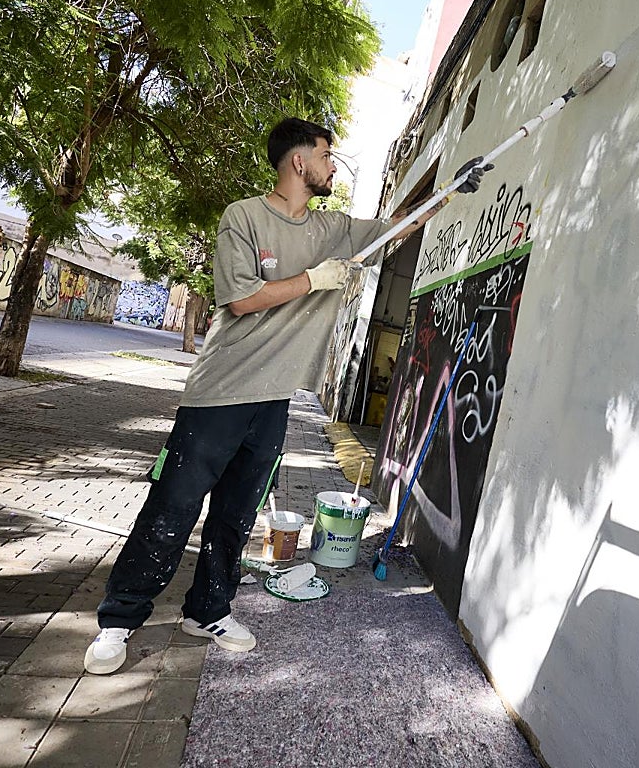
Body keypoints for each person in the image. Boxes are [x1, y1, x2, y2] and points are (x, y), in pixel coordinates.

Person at [83, 117, 490, 675]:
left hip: (274, 400)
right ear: (299, 161)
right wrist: (314, 281)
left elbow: (398, 225)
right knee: (173, 505)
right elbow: (241, 298)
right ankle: (119, 620)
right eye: (326, 155)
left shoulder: (332, 228)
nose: (331, 165)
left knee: (236, 513)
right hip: (220, 393)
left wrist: (452, 190)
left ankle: (208, 610)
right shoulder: (244, 217)